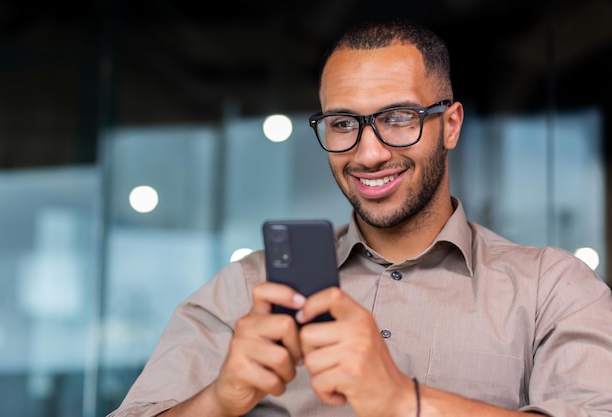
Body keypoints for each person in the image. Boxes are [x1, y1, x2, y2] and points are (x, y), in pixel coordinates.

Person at [107, 19, 612, 417]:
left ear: (450, 125)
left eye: (397, 118)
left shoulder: (552, 289)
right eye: (343, 123)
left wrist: (403, 401)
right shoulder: (247, 291)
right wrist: (219, 400)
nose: (368, 154)